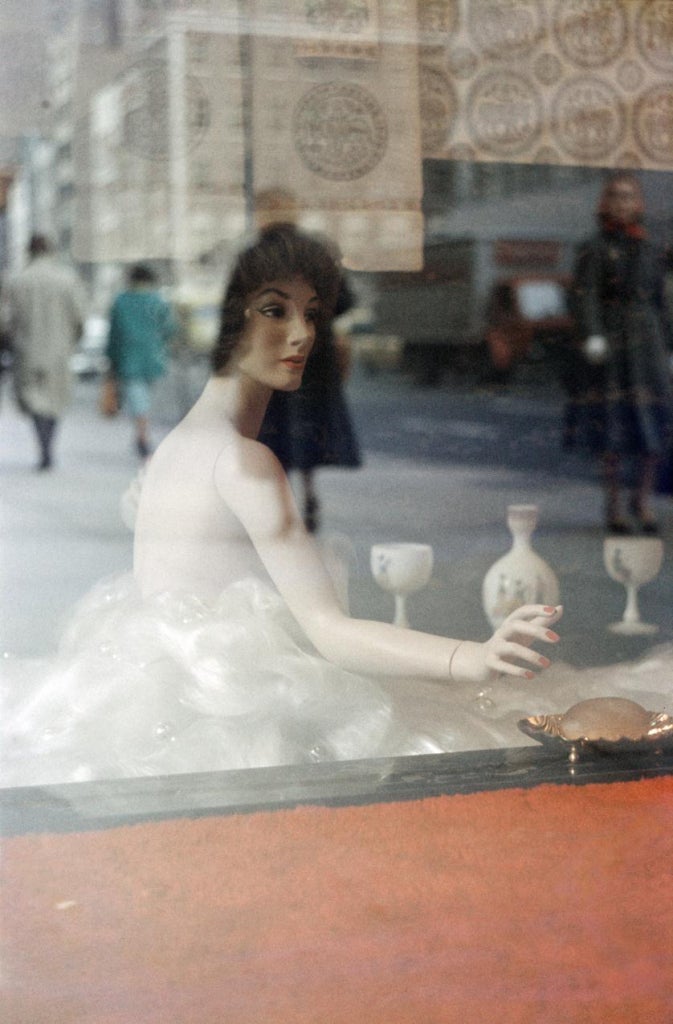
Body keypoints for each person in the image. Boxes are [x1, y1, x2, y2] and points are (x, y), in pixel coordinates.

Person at [1, 225, 563, 787]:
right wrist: (471, 657)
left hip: (164, 715)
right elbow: (328, 631)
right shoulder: (242, 463)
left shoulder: (180, 446)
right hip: (235, 725)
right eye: (276, 311)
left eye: (312, 314)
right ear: (233, 321)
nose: (302, 335)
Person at [570, 172, 673, 534]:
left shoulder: (651, 247)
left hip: (648, 347)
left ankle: (641, 502)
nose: (622, 202)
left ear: (638, 203)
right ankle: (613, 506)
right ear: (605, 203)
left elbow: (661, 301)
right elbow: (584, 297)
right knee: (612, 429)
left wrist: (669, 345)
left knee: (652, 429)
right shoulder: (593, 247)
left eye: (629, 196)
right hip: (612, 347)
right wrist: (592, 335)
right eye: (615, 196)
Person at [255, 189, 361, 532]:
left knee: (274, 433)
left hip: (270, 357)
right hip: (314, 357)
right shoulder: (316, 252)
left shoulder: (255, 256)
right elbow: (345, 300)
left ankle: (280, 508)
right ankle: (309, 493)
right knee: (307, 429)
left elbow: (234, 314)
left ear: (263, 216)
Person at [0, 234, 85, 470]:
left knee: (34, 399)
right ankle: (49, 444)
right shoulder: (67, 280)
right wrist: (73, 340)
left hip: (27, 349)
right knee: (55, 399)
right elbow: (79, 317)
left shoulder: (18, 281)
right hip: (59, 350)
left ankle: (43, 445)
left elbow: (6, 320)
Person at [106, 264, 177, 459]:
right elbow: (171, 329)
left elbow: (113, 334)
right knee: (143, 397)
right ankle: (142, 435)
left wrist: (111, 358)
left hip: (128, 357)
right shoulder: (158, 301)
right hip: (153, 358)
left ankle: (142, 435)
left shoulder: (121, 301)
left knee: (137, 397)